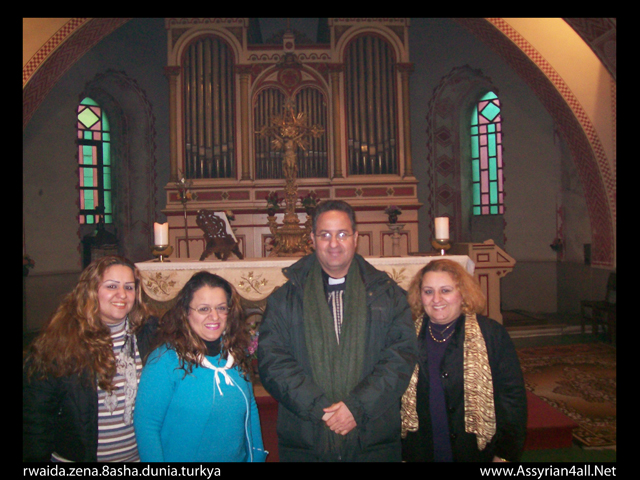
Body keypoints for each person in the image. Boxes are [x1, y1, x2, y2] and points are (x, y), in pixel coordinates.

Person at [258, 199, 417, 462]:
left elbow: (400, 357)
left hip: (372, 439)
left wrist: (357, 408)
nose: (334, 244)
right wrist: (320, 409)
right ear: (312, 239)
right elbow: (272, 361)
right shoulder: (285, 299)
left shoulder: (387, 295)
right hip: (307, 438)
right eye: (325, 235)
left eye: (342, 234)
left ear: (356, 238)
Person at [23, 255, 157, 462]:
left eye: (129, 287)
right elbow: (35, 420)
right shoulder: (59, 343)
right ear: (91, 290)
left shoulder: (148, 335)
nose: (122, 294)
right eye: (111, 286)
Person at [401, 259, 527, 462]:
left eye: (446, 290)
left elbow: (512, 398)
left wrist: (505, 455)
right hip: (421, 448)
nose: (436, 299)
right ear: (419, 295)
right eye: (428, 291)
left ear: (462, 294)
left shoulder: (491, 334)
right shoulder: (406, 336)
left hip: (473, 450)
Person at [133, 271, 266, 462]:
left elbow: (250, 409)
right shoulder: (164, 360)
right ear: (186, 312)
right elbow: (147, 426)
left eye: (221, 308)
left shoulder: (235, 354)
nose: (215, 316)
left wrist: (257, 456)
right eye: (204, 309)